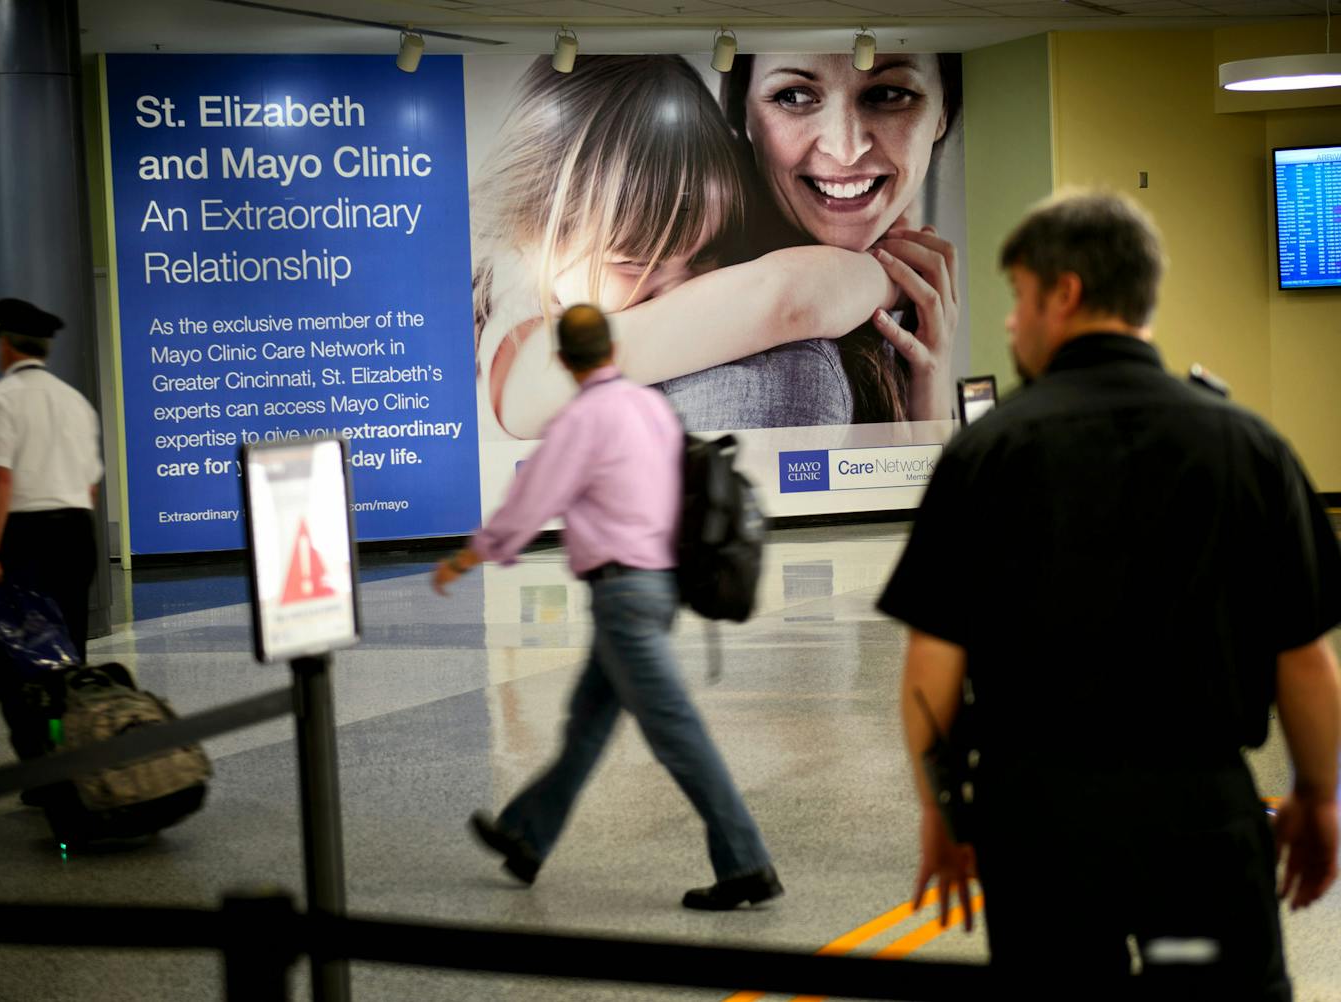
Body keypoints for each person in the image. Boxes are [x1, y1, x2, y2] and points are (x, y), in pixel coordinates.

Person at [879, 191, 1340, 997]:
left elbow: (932, 668)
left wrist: (940, 816)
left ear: (1064, 293)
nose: (1013, 324)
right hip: (1199, 825)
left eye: (1019, 298)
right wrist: (1316, 796)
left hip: (1045, 833)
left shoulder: (987, 456)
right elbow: (1304, 662)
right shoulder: (1248, 447)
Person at [436, 303, 782, 910]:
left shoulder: (583, 419)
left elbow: (531, 499)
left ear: (564, 360)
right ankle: (526, 836)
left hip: (623, 597)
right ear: (613, 351)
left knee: (676, 731)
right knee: (587, 726)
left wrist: (470, 556)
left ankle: (746, 862)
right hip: (656, 590)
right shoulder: (651, 408)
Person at [473, 55, 899, 440]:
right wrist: (887, 275)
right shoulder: (524, 355)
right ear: (531, 232)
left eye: (702, 255)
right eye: (635, 262)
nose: (683, 292)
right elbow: (788, 299)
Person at [659, 53, 964, 430]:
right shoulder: (780, 378)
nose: (845, 148)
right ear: (743, 113)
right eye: (794, 97)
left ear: (943, 110)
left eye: (886, 94)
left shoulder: (901, 293)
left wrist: (929, 406)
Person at [0, 298, 103, 761]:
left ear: (5, 346)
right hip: (78, 533)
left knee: (1, 651)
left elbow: (0, 479)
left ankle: (39, 756)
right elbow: (90, 486)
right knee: (67, 652)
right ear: (44, 348)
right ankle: (72, 752)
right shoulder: (77, 403)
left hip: (26, 538)